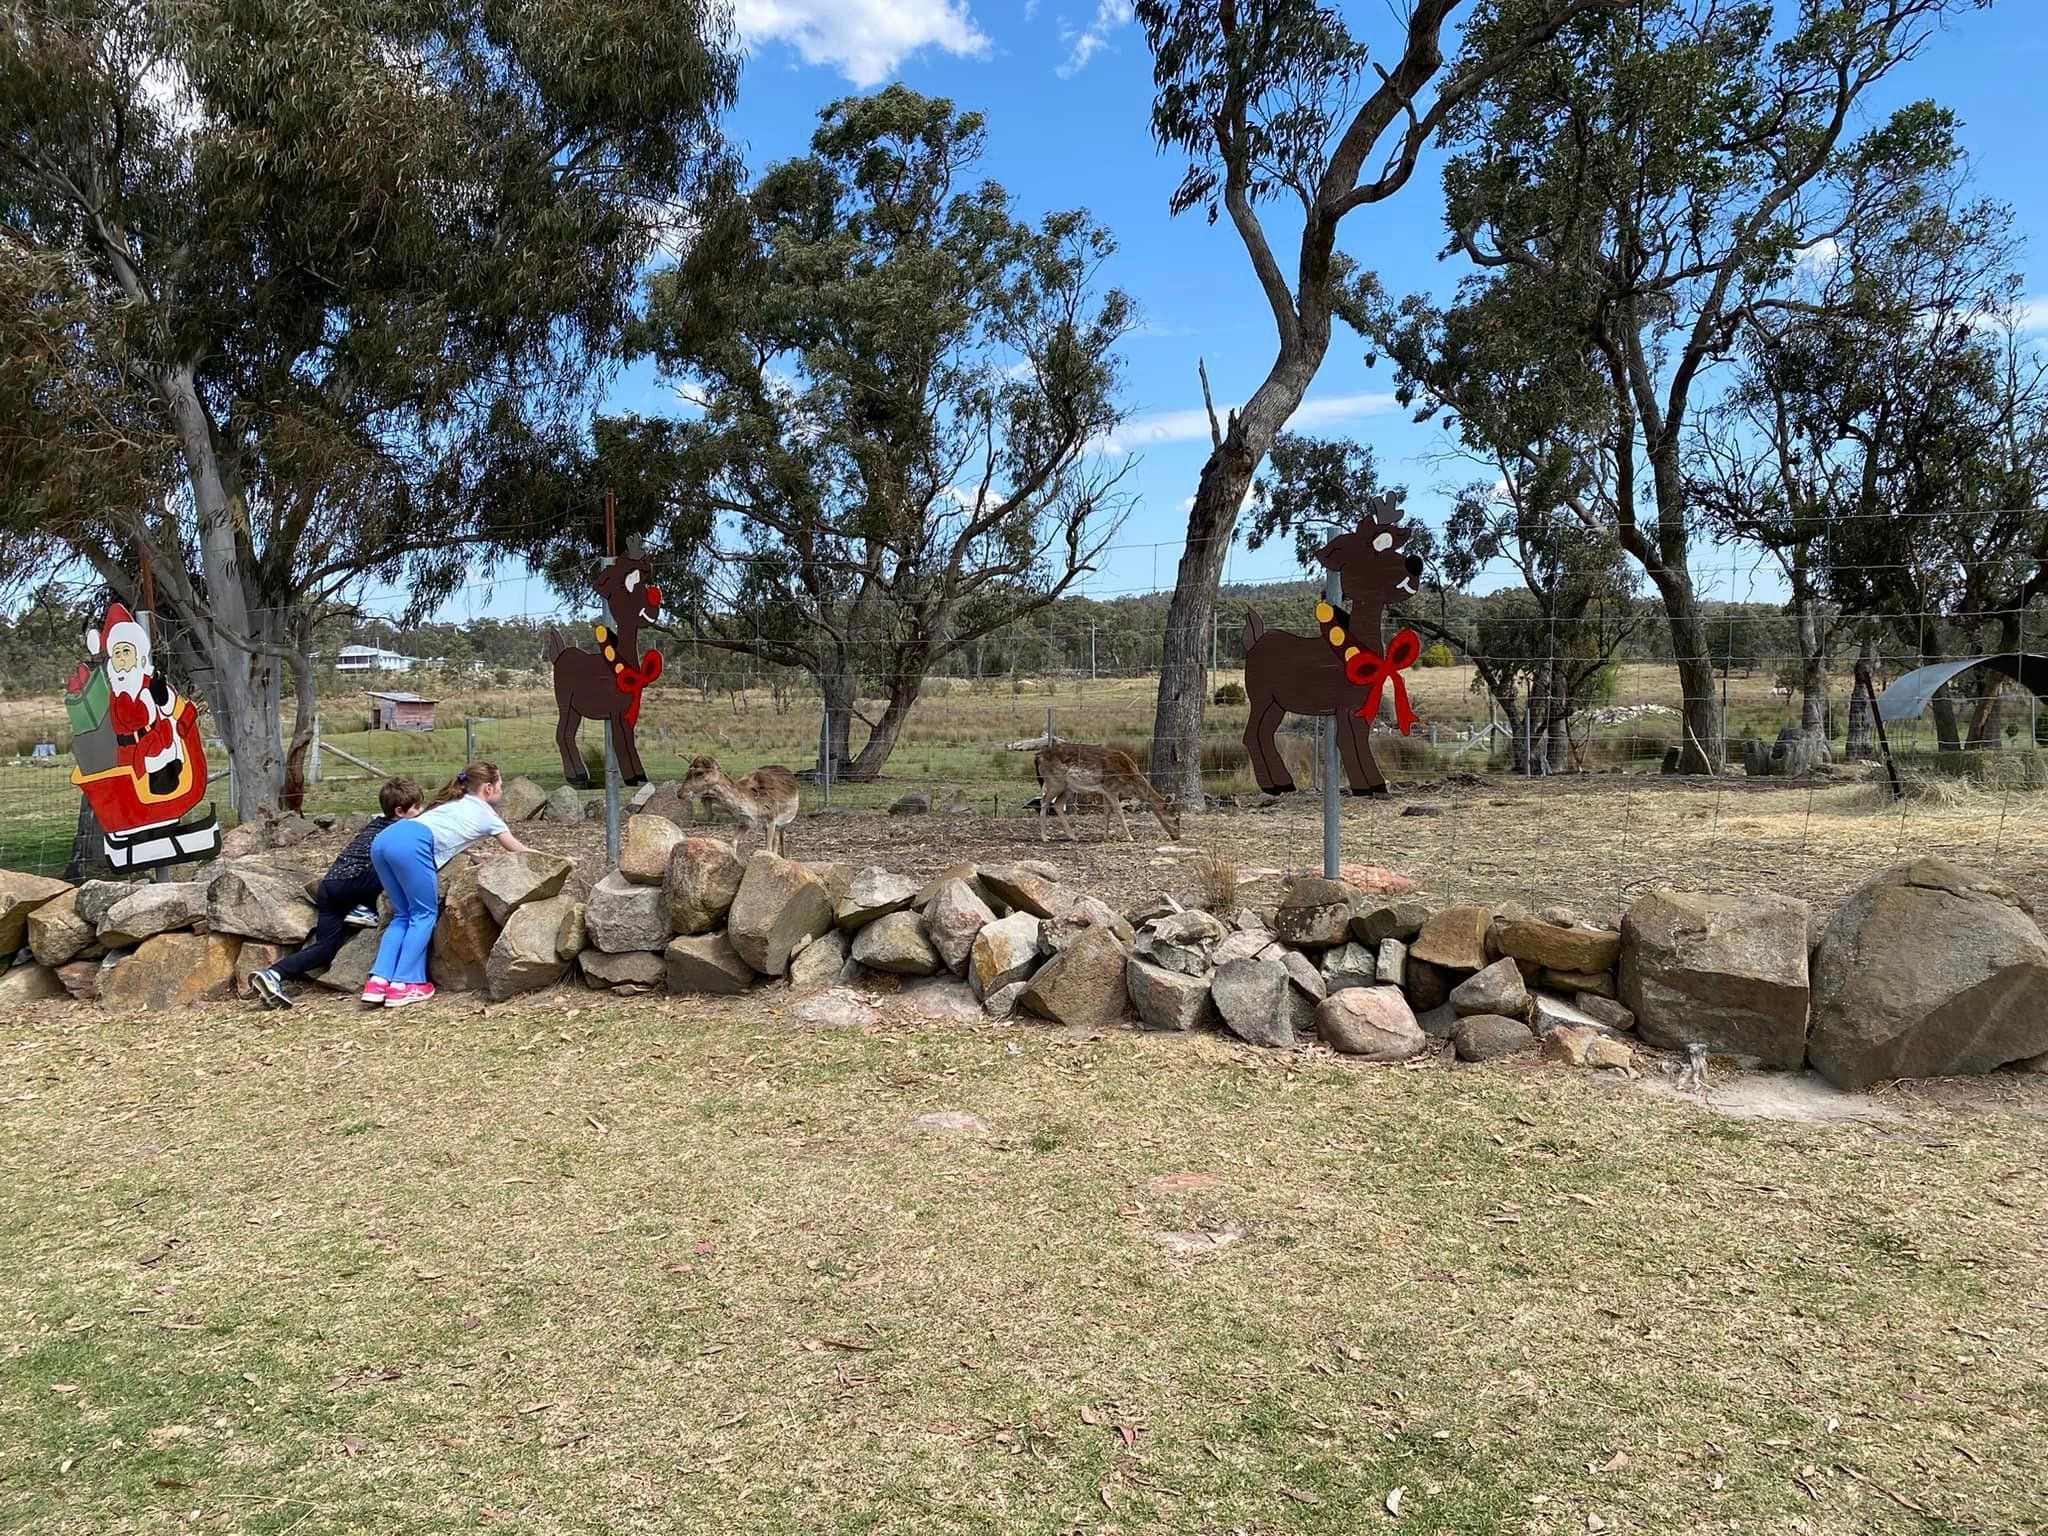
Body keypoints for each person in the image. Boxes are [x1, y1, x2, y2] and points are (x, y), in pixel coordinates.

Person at [364, 761, 534, 1008]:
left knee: (402, 915)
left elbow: (447, 833)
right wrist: (560, 860)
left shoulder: (454, 801)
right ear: (487, 788)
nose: (502, 790)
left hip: (384, 840)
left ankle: (378, 981)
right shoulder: (489, 816)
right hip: (411, 845)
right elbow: (516, 848)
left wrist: (473, 855)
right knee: (424, 914)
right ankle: (404, 984)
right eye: (500, 785)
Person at [248, 776, 424, 1010]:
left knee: (325, 949)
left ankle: (273, 974)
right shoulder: (397, 832)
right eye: (417, 807)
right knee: (392, 863)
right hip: (353, 886)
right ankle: (364, 908)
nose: (421, 811)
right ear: (400, 811)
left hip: (330, 887)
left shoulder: (373, 826)